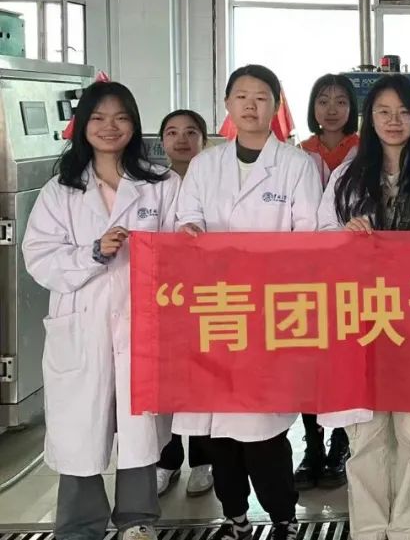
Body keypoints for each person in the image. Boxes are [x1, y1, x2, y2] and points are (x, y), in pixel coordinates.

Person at [22, 81, 182, 540]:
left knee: (139, 431)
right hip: (83, 323)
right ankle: (80, 526)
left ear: (134, 124)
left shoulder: (161, 184)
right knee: (81, 430)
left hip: (142, 324)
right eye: (98, 118)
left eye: (121, 118)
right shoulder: (61, 191)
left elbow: (182, 252)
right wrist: (93, 252)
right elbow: (39, 257)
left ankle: (138, 520)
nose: (110, 127)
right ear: (82, 126)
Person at [173, 65, 322, 540]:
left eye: (261, 97)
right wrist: (190, 231)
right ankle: (235, 517)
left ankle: (283, 518)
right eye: (241, 96)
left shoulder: (296, 165)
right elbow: (187, 218)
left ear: (275, 106)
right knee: (218, 432)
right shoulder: (206, 165)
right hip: (215, 311)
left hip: (267, 313)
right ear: (227, 105)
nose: (251, 105)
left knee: (264, 430)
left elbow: (309, 235)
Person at [317, 73, 410, 540]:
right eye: (383, 112)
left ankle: (407, 532)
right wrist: (345, 236)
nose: (393, 121)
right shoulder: (347, 177)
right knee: (366, 439)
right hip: (362, 323)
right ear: (369, 119)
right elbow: (320, 240)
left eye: (403, 112)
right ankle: (370, 531)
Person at [295, 74, 360, 490]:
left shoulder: (366, 152)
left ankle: (340, 443)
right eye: (323, 100)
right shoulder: (298, 155)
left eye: (340, 101)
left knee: (345, 360)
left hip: (353, 276)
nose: (331, 109)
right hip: (306, 276)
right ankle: (312, 445)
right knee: (309, 363)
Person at [154, 109, 214, 497]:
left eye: (191, 132)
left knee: (203, 378)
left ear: (204, 140)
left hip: (208, 294)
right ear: (161, 140)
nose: (181, 139)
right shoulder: (149, 185)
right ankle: (167, 459)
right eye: (172, 132)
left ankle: (203, 459)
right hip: (163, 295)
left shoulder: (212, 181)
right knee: (169, 380)